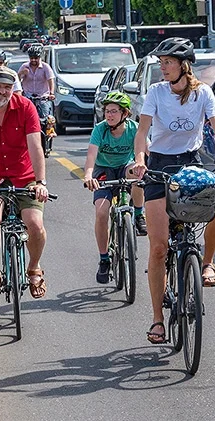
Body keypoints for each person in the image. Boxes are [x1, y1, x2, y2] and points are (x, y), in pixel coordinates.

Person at [130, 37, 215, 345]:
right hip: (159, 165)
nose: (162, 67)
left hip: (191, 163)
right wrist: (141, 160)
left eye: (168, 62)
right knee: (158, 247)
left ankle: (206, 263)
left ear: (184, 65)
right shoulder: (156, 92)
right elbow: (142, 133)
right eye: (161, 62)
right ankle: (156, 319)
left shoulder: (203, 93)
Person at [0, 66, 51, 298]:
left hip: (24, 176)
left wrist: (40, 182)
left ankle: (34, 267)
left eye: (7, 87)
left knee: (35, 224)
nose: (2, 92)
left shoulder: (26, 107)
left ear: (13, 89)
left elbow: (36, 146)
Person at [82, 91, 147, 284]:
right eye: (107, 111)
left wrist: (147, 167)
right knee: (101, 214)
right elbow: (91, 157)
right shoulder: (100, 130)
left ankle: (138, 214)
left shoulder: (134, 129)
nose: (109, 115)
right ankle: (104, 259)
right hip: (103, 170)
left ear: (124, 114)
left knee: (139, 173)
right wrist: (88, 175)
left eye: (113, 112)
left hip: (125, 167)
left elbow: (146, 150)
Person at [18, 46, 55, 120]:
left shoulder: (45, 67)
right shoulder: (24, 66)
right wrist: (21, 73)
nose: (33, 60)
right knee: (24, 119)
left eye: (36, 58)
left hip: (42, 98)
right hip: (28, 97)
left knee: (48, 120)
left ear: (39, 57)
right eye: (31, 58)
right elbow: (17, 81)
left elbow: (50, 80)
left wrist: (51, 93)